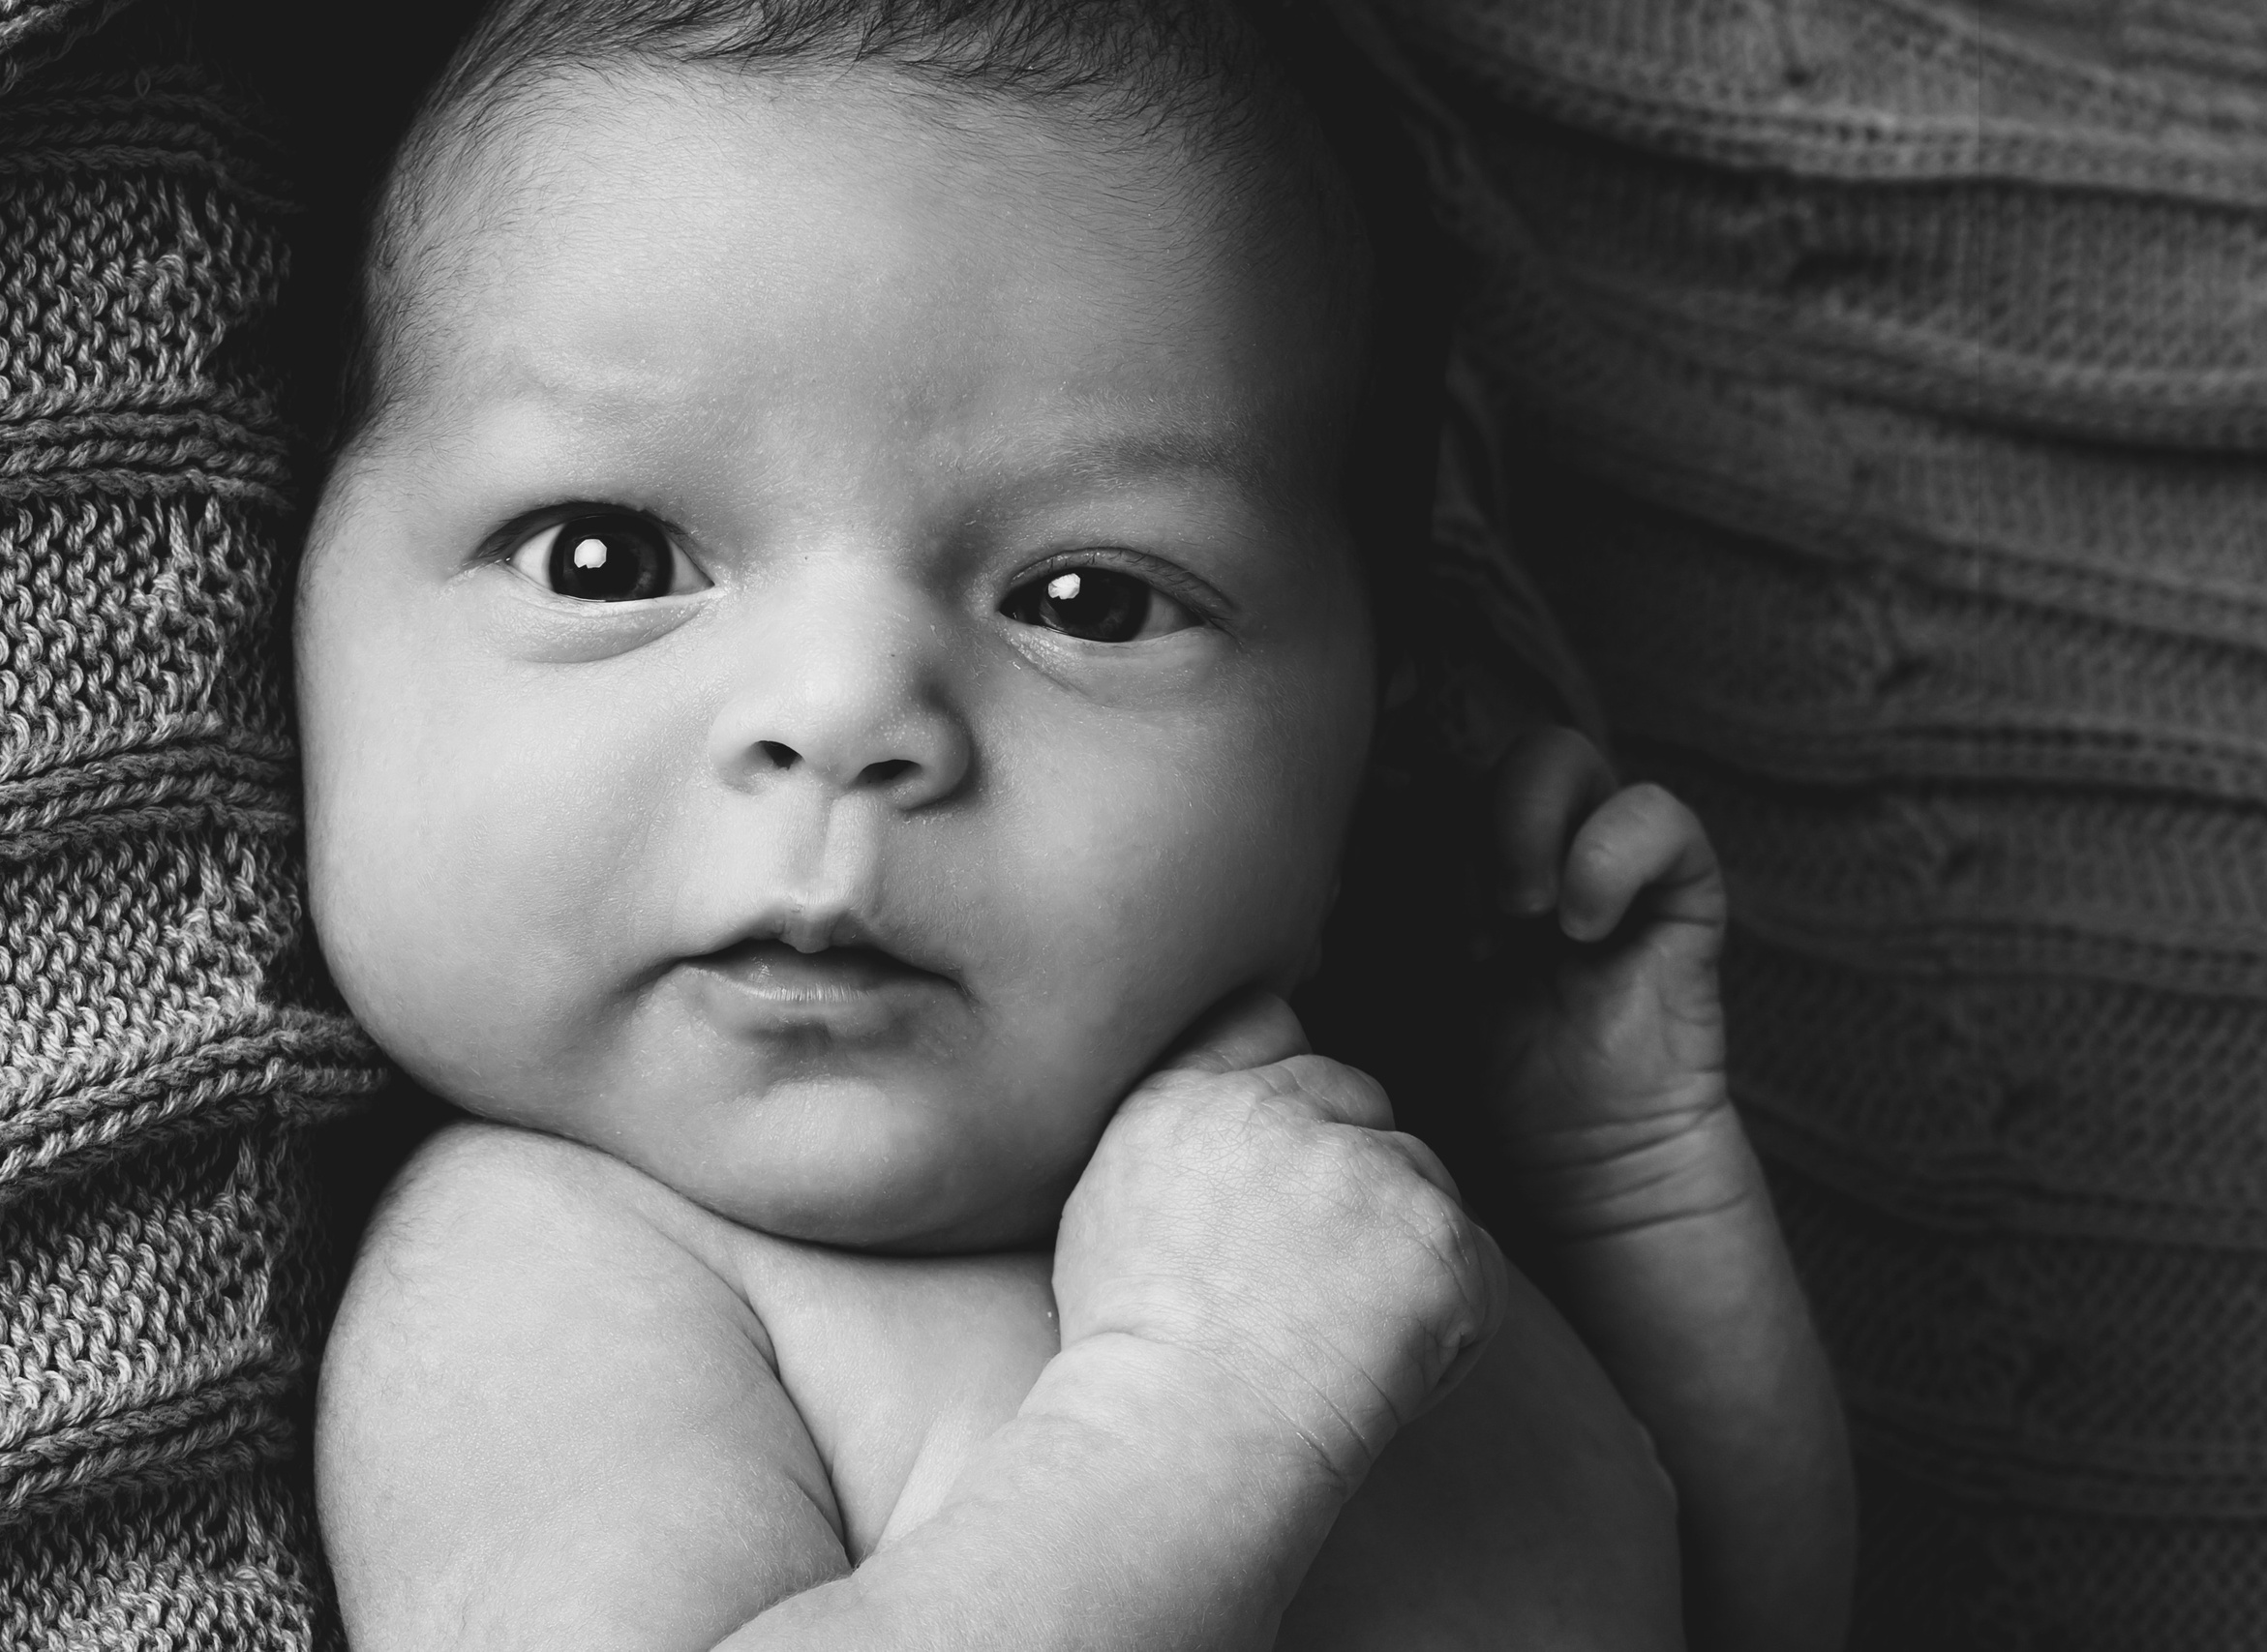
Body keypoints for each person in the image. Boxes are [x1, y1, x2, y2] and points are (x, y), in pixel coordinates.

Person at [298, 1, 1849, 1646]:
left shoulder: (1325, 1210)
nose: (843, 714)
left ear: (1382, 725)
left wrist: (1619, 1178)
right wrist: (1191, 1401)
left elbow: (1738, 1614)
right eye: (604, 557)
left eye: (1088, 600)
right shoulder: (550, 1272)